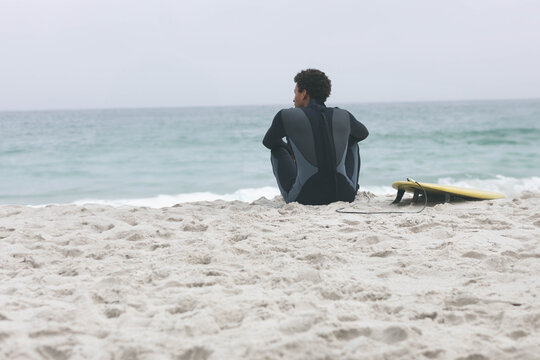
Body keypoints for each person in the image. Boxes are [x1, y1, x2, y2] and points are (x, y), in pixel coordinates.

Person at [263, 69, 369, 205]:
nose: (293, 98)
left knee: (276, 148)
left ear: (304, 93)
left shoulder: (286, 115)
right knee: (353, 141)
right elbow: (363, 134)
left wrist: (290, 152)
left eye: (295, 93)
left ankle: (296, 187)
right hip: (345, 195)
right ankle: (352, 185)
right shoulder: (343, 115)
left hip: (304, 198)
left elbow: (268, 142)